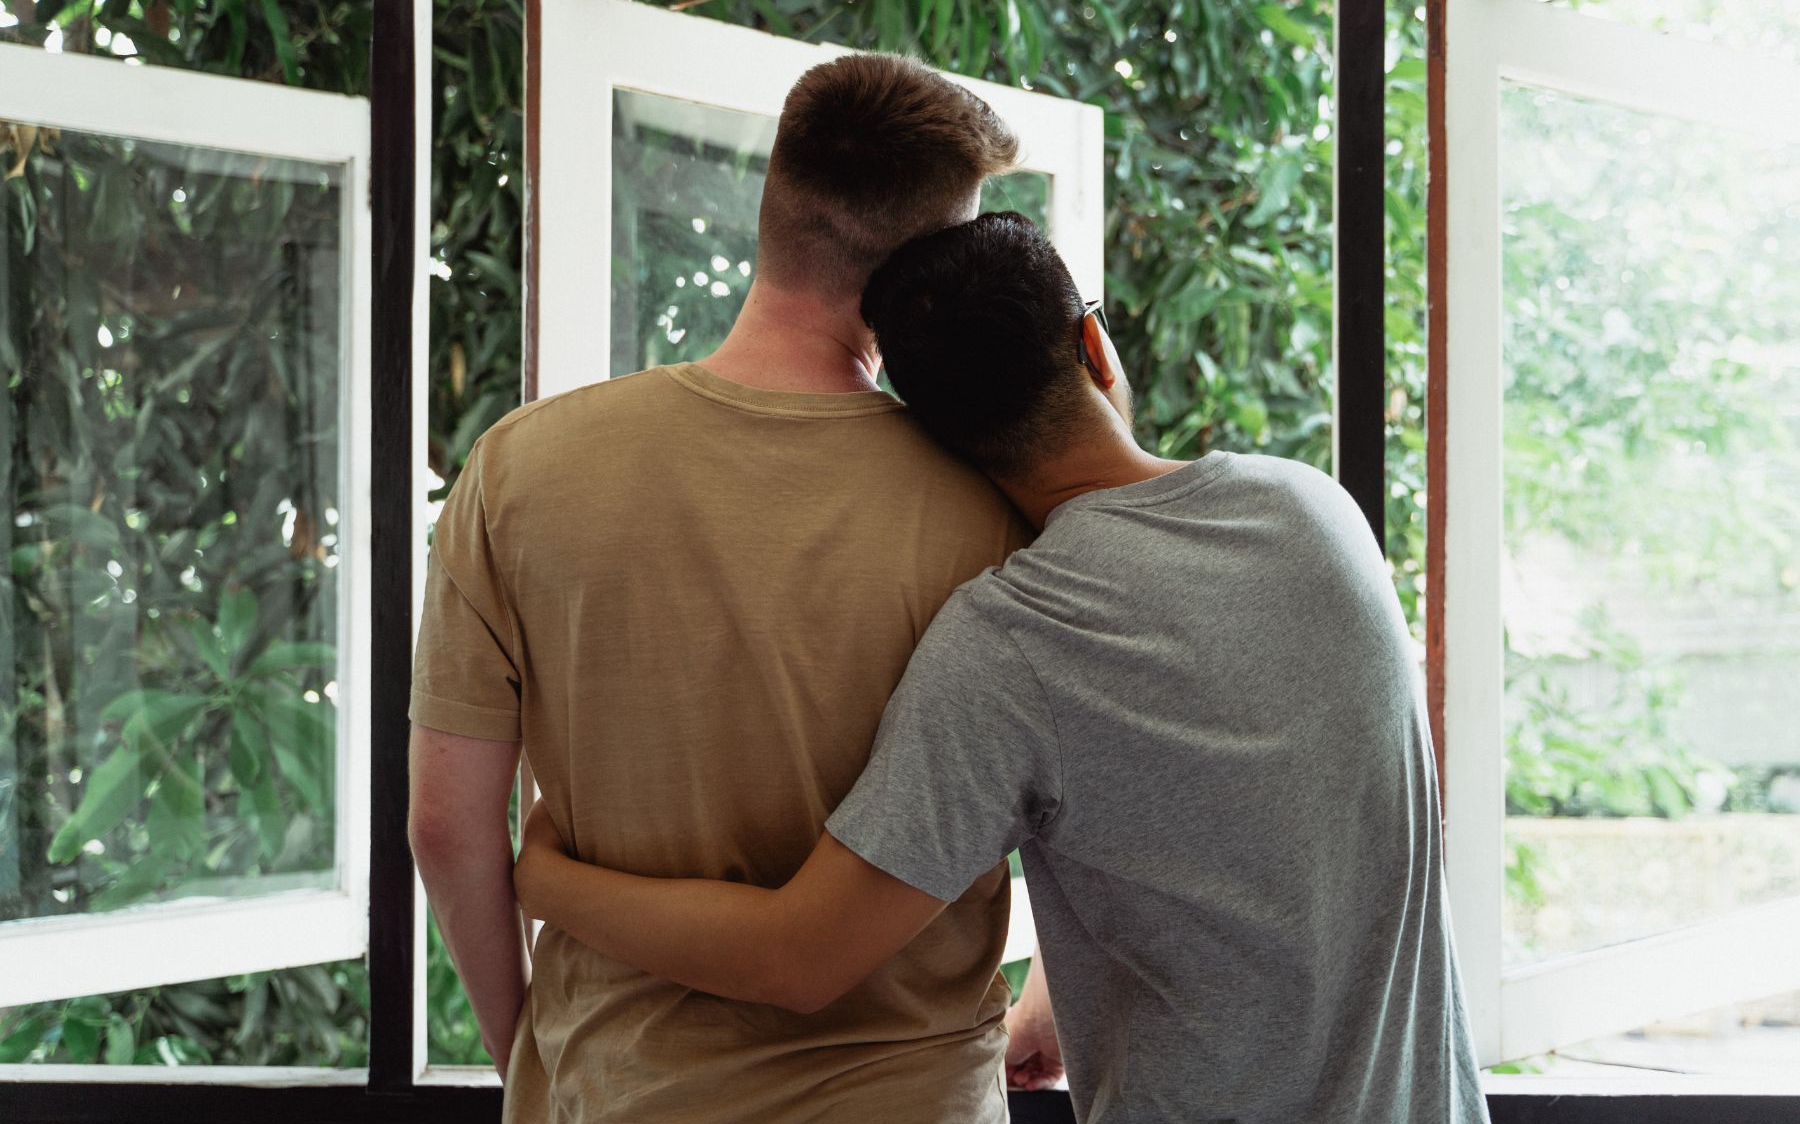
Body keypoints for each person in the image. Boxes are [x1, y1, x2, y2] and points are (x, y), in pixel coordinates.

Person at [512, 212, 1490, 1124]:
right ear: (1094, 345)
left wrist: (550, 881)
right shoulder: (1315, 516)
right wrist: (1062, 991)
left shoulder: (1012, 647)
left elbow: (797, 957)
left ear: (934, 444)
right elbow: (1271, 811)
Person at [409, 58, 1032, 1123]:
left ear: (774, 207)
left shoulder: (520, 469)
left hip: (616, 1088)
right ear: (928, 271)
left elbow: (446, 825)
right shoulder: (993, 506)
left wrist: (538, 1053)